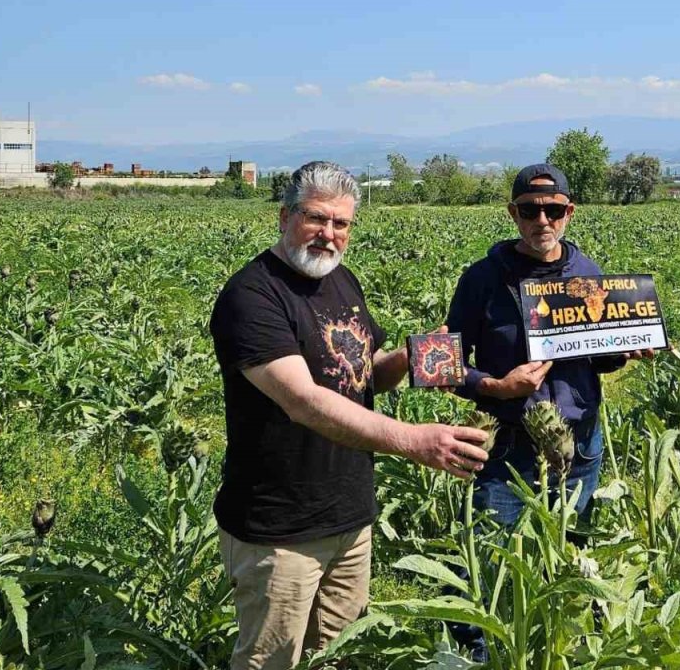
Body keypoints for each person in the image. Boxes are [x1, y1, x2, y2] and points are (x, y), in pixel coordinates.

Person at [209, 160, 490, 670]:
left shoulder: (342, 280)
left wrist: (413, 353)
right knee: (270, 661)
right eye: (316, 218)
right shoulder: (252, 296)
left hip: (349, 514)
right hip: (280, 527)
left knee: (343, 656)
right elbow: (303, 399)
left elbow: (365, 376)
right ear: (284, 216)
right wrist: (414, 440)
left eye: (341, 224)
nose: (328, 234)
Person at [444, 163, 651, 660]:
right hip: (508, 445)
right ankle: (481, 653)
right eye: (530, 210)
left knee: (566, 551)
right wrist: (493, 386)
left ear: (569, 213)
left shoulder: (588, 275)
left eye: (553, 210)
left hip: (579, 444)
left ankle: (554, 642)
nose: (543, 220)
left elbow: (596, 358)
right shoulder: (482, 280)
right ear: (513, 213)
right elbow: (440, 362)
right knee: (489, 554)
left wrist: (626, 348)